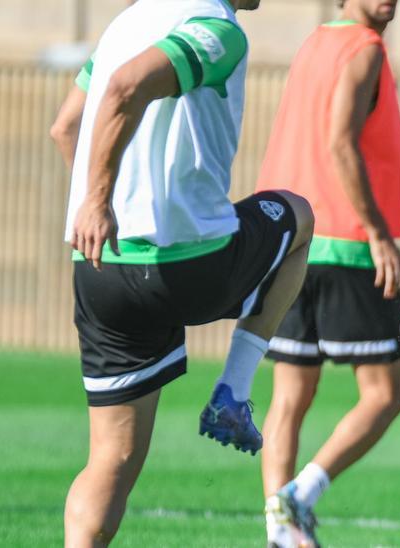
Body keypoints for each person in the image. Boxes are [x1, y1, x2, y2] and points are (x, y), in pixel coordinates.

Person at [48, 0, 315, 545]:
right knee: (299, 215)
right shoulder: (218, 27)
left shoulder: (124, 23)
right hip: (190, 266)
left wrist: (103, 202)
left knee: (111, 459)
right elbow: (127, 87)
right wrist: (100, 198)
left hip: (104, 269)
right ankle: (234, 392)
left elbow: (65, 126)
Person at [253, 0, 400, 546]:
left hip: (290, 240)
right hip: (344, 243)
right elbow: (341, 142)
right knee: (385, 394)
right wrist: (379, 233)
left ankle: (278, 528)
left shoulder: (314, 43)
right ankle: (299, 495)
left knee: (290, 396)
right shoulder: (364, 49)